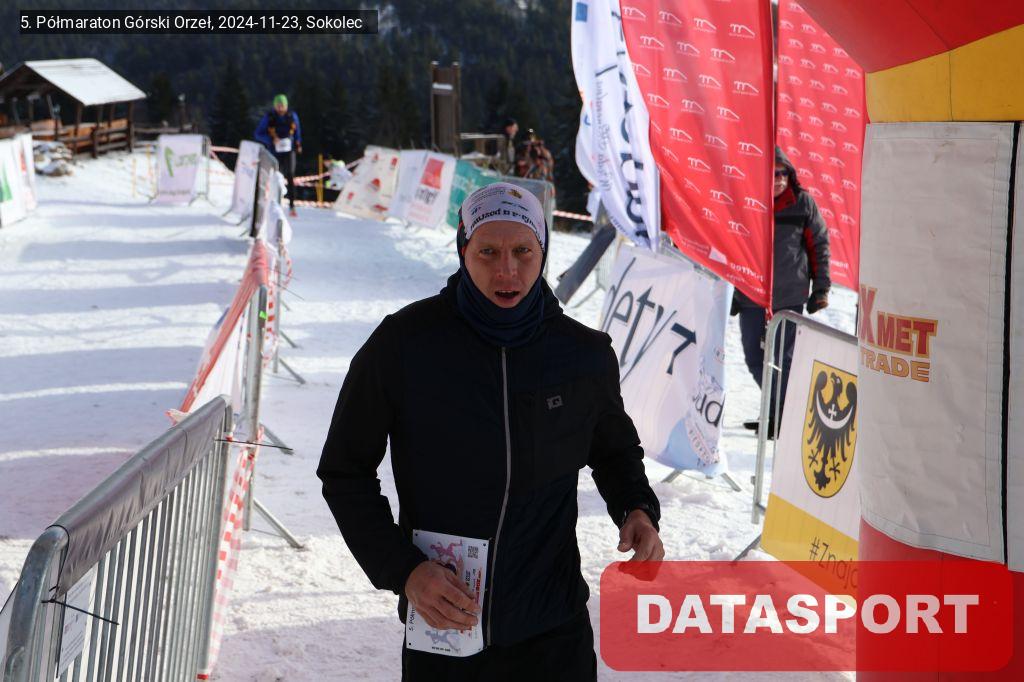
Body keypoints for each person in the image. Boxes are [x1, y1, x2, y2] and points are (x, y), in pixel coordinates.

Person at [317, 182, 663, 681]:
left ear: (543, 252)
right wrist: (404, 570)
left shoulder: (582, 355)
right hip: (445, 622)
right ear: (463, 251)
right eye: (488, 252)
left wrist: (637, 508)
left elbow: (614, 451)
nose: (507, 270)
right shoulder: (404, 345)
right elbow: (344, 472)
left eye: (523, 251)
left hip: (553, 626)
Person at [732, 146, 830, 435]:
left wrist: (821, 288)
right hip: (751, 294)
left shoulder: (802, 203)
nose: (778, 180)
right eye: (772, 174)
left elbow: (819, 245)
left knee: (782, 361)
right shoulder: (746, 201)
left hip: (789, 296)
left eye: (783, 174)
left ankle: (781, 419)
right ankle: (777, 411)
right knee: (754, 357)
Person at [254, 94, 302, 217]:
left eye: (283, 106)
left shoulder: (292, 116)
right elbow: (258, 134)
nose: (280, 108)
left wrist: (298, 143)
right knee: (275, 176)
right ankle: (274, 203)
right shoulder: (269, 117)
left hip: (289, 151)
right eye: (278, 106)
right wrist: (271, 140)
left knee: (290, 175)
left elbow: (297, 132)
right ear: (275, 106)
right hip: (274, 152)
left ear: (286, 106)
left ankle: (292, 206)